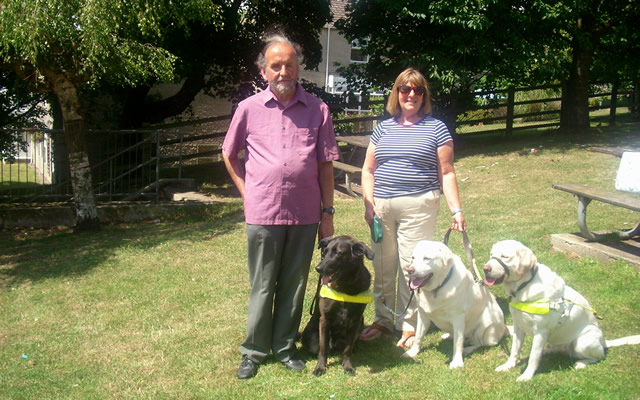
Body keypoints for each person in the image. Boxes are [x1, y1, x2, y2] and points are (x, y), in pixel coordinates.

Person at [222, 34, 340, 380]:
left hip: (305, 213)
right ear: (264, 71)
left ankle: (286, 347)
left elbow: (326, 166)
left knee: (295, 283)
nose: (283, 70)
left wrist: (327, 213)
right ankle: (255, 351)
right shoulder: (248, 109)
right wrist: (247, 192)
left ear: (298, 68)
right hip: (262, 213)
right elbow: (228, 154)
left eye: (289, 64)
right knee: (262, 284)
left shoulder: (318, 110)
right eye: (276, 65)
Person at [358, 67, 467, 348]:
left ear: (424, 96)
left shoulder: (436, 128)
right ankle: (383, 320)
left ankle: (408, 325)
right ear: (397, 93)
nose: (411, 95)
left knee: (413, 268)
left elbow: (447, 171)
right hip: (381, 209)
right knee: (383, 267)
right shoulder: (382, 128)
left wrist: (457, 210)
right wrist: (369, 205)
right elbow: (368, 170)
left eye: (418, 90)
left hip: (419, 205)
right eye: (405, 89)